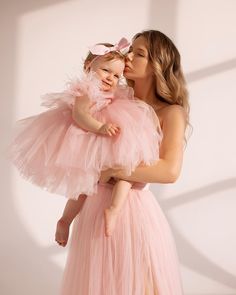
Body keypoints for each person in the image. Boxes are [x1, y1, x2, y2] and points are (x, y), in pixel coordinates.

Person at [59, 30, 189, 295]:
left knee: (141, 284)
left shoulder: (170, 111)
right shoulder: (112, 99)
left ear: (157, 66)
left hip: (132, 210)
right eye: (131, 50)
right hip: (94, 204)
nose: (127, 57)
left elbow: (169, 170)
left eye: (138, 54)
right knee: (98, 283)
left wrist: (113, 170)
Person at [8, 38, 162, 237]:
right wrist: (100, 127)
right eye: (106, 71)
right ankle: (65, 220)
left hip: (108, 140)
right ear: (89, 66)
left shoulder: (118, 95)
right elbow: (80, 115)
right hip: (89, 138)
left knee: (128, 169)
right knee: (83, 187)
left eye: (116, 75)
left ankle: (114, 209)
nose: (110, 78)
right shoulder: (85, 91)